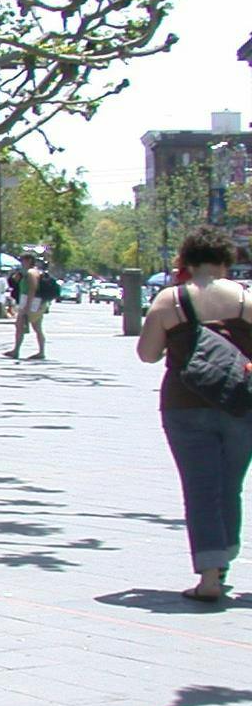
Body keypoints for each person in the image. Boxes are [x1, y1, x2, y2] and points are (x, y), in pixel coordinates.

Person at [137, 225, 252, 603]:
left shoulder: (170, 300)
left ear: (186, 261)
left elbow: (148, 353)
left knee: (200, 487)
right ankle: (225, 556)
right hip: (241, 403)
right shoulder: (246, 299)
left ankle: (209, 576)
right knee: (229, 484)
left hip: (184, 404)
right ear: (226, 261)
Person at [5, 255, 55, 359]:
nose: (21, 262)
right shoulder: (28, 272)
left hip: (31, 302)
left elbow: (33, 288)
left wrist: (27, 306)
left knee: (19, 326)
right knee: (36, 328)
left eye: (23, 260)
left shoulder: (31, 272)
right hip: (34, 302)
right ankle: (40, 351)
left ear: (29, 261)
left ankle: (17, 350)